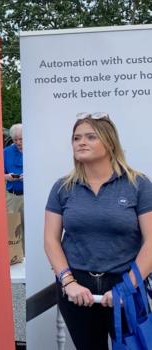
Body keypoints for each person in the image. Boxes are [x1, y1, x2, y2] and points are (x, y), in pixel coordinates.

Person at [43, 113, 152, 349]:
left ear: (110, 142)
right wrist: (68, 282)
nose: (81, 142)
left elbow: (151, 242)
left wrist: (127, 286)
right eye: (76, 138)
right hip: (77, 289)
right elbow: (51, 240)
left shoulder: (139, 184)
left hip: (126, 285)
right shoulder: (63, 187)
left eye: (91, 137)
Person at [4, 123, 24, 215]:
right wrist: (7, 177)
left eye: (21, 139)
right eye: (15, 140)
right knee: (11, 227)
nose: (18, 142)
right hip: (12, 197)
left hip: (31, 197)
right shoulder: (6, 152)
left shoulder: (35, 150)